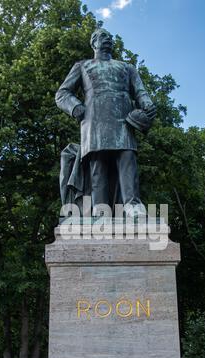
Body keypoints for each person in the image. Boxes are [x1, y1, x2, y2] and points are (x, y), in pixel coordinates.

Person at [55, 28, 156, 217]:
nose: (108, 39)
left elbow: (140, 92)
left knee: (128, 158)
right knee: (98, 166)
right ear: (93, 43)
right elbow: (62, 94)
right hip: (94, 121)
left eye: (109, 37)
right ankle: (101, 209)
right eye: (102, 36)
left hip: (124, 121)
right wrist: (75, 107)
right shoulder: (82, 66)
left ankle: (132, 204)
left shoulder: (127, 68)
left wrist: (147, 104)